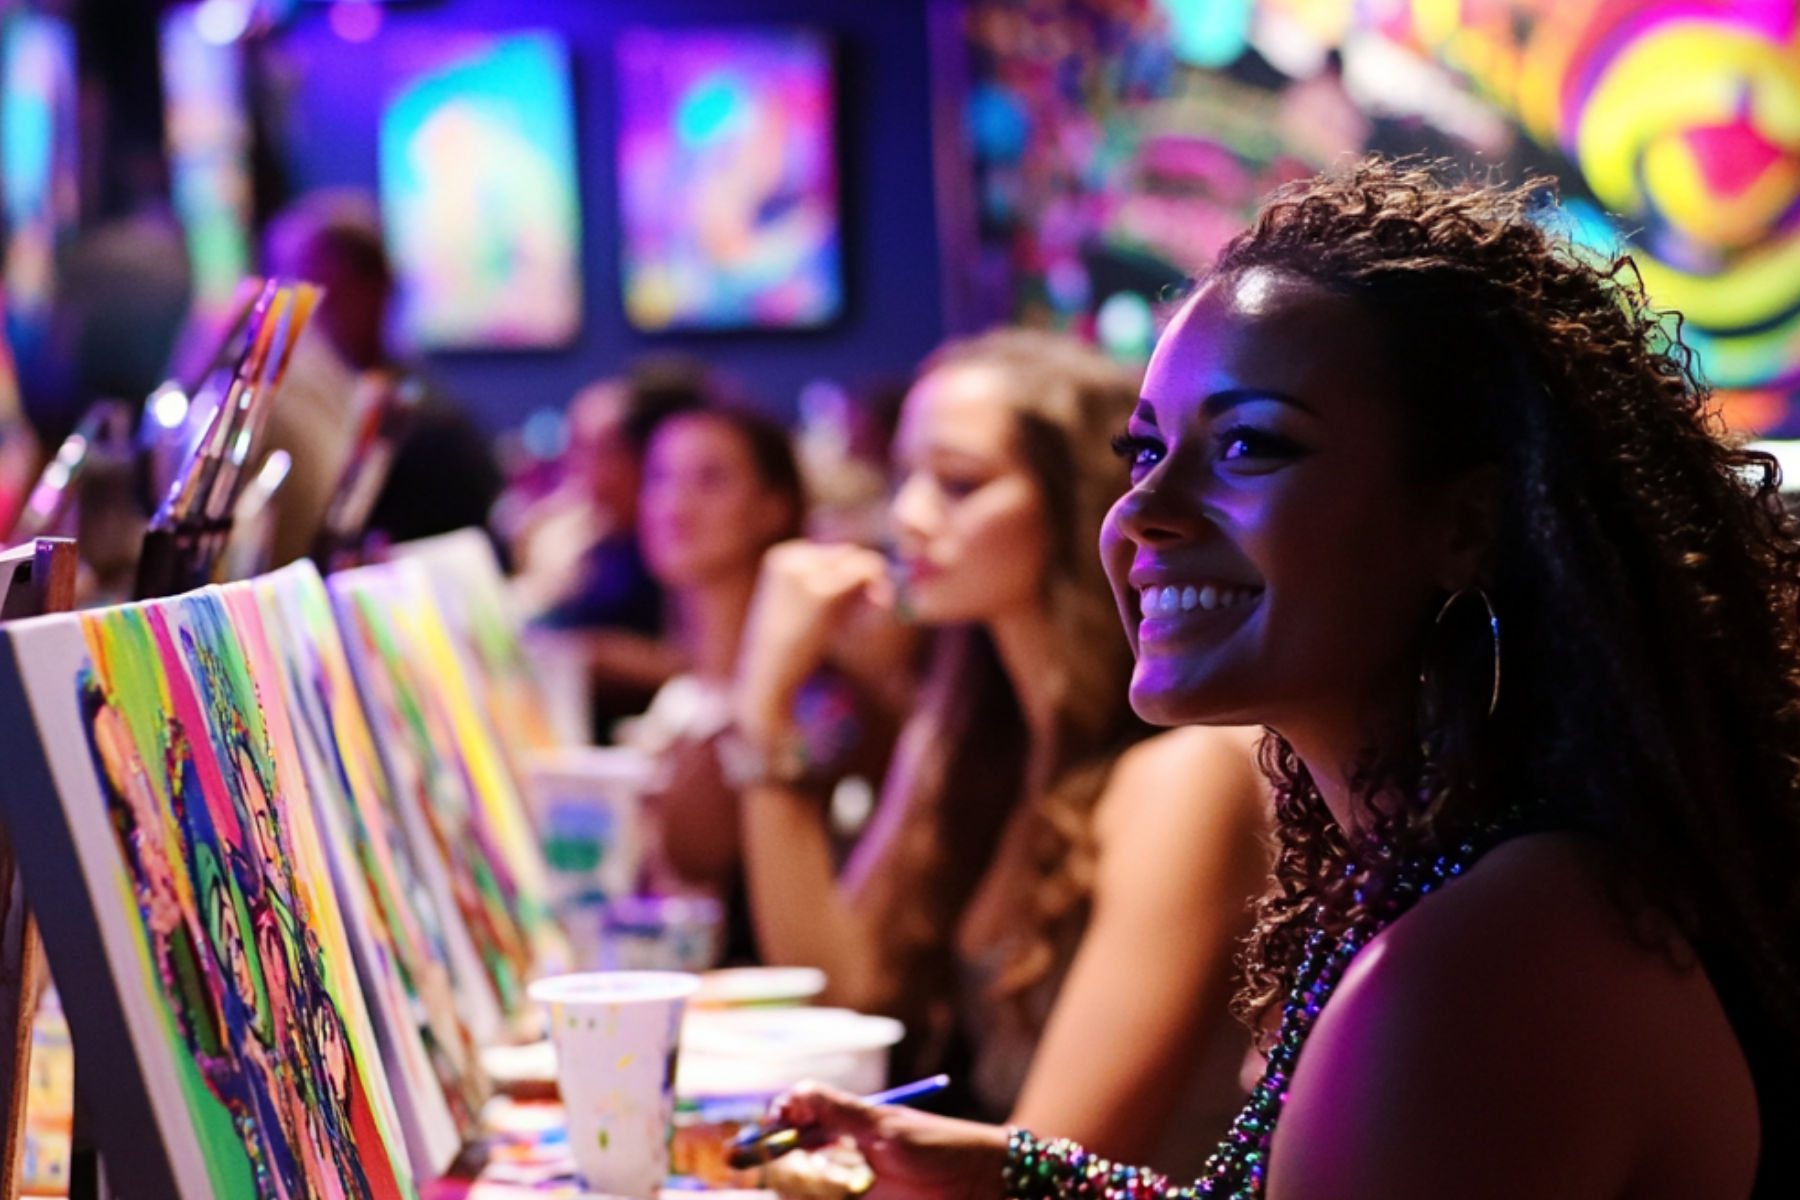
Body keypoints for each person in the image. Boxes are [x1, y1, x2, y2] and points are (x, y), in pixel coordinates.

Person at [763, 158, 1800, 1199]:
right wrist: (1012, 1171)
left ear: (1465, 525)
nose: (1144, 514)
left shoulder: (1489, 961)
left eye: (1250, 445)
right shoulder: (1455, 875)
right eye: (1145, 451)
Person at [732, 329, 1272, 1174]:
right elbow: (841, 996)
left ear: (1083, 504)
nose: (907, 516)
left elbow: (1059, 1170)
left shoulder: (1186, 769)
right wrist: (762, 718)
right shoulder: (970, 727)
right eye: (903, 478)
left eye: (958, 484)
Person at [260, 189, 502, 560]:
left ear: (378, 290)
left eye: (325, 291)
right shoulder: (322, 402)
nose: (309, 317)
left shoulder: (426, 421)